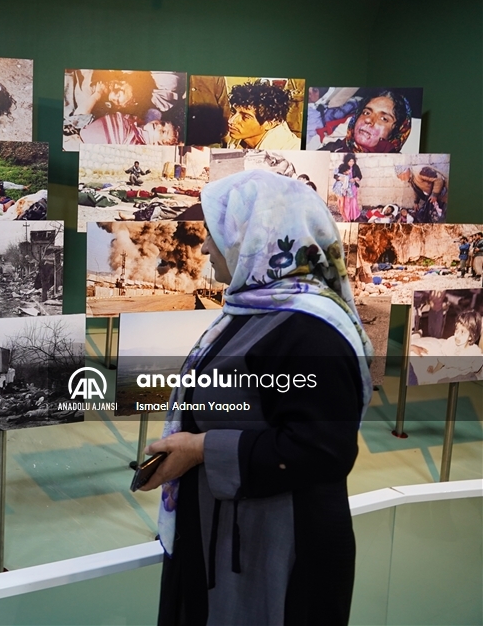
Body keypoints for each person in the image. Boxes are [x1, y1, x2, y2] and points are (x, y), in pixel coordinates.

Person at [137, 169, 372, 624]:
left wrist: (200, 450)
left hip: (276, 558)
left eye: (213, 233)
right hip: (231, 541)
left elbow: (323, 448)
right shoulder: (256, 308)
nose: (204, 247)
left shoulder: (311, 330)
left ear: (256, 234)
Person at [322, 89, 412, 154]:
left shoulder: (400, 169)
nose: (368, 119)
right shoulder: (331, 150)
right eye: (366, 112)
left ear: (397, 132)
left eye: (384, 119)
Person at [224, 82, 300, 150]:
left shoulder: (292, 150)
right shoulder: (237, 138)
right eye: (233, 112)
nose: (231, 120)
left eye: (245, 117)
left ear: (270, 123)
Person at [334, 153, 363, 221]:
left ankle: (354, 216)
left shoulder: (356, 167)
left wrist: (354, 179)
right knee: (346, 202)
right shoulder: (342, 166)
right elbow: (335, 176)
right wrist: (342, 178)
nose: (351, 163)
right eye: (350, 161)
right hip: (344, 187)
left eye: (353, 161)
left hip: (353, 186)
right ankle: (347, 217)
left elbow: (360, 176)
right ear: (346, 161)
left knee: (353, 201)